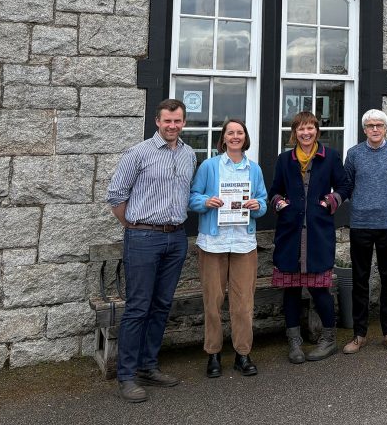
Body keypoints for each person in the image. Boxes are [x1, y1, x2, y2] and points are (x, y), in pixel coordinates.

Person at [106, 98, 197, 403]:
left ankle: (148, 366)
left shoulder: (189, 154)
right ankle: (127, 374)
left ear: (183, 122)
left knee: (161, 305)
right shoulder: (138, 152)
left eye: (178, 120)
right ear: (158, 121)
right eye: (167, 121)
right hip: (144, 237)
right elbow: (116, 195)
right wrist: (133, 226)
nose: (173, 126)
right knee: (138, 306)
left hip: (176, 238)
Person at [189, 118, 268, 379]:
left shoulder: (253, 169)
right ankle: (213, 353)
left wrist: (258, 206)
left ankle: (242, 353)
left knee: (243, 303)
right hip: (214, 242)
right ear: (223, 138)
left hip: (243, 243)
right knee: (213, 301)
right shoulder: (210, 166)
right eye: (230, 133)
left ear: (245, 138)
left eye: (240, 133)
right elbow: (193, 197)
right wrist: (206, 201)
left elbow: (263, 200)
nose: (235, 136)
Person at [269, 111, 350, 363]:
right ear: (295, 132)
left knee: (319, 290)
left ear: (317, 131)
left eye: (310, 128)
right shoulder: (285, 160)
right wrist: (280, 203)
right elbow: (274, 191)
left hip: (318, 234)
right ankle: (294, 342)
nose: (306, 133)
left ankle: (329, 339)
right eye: (301, 129)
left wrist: (330, 200)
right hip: (290, 234)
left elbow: (345, 186)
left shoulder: (331, 157)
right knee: (291, 290)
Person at [342, 109, 387, 355]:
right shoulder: (354, 154)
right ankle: (359, 334)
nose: (374, 129)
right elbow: (347, 186)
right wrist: (364, 202)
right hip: (361, 224)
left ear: (386, 128)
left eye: (379, 125)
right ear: (364, 129)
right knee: (360, 281)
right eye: (370, 125)